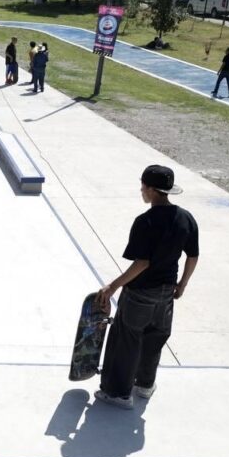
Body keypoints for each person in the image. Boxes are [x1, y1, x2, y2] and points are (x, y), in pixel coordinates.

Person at [94, 165, 199, 409]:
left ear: (152, 190)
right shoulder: (185, 218)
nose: (141, 189)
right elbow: (192, 256)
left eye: (143, 186)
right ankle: (144, 385)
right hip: (166, 293)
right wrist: (182, 284)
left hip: (140, 293)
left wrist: (112, 286)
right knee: (155, 338)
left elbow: (142, 263)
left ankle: (118, 393)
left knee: (126, 340)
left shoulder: (145, 221)